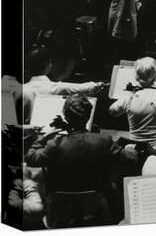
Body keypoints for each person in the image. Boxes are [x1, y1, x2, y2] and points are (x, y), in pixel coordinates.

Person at [25, 94, 139, 228]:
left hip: (60, 212)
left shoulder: (53, 145)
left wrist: (43, 138)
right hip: (97, 209)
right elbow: (132, 159)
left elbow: (31, 159)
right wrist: (130, 149)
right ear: (88, 116)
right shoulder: (104, 141)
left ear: (66, 116)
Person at [23, 47, 105, 124]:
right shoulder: (55, 87)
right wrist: (97, 85)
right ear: (48, 65)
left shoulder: (21, 89)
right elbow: (80, 88)